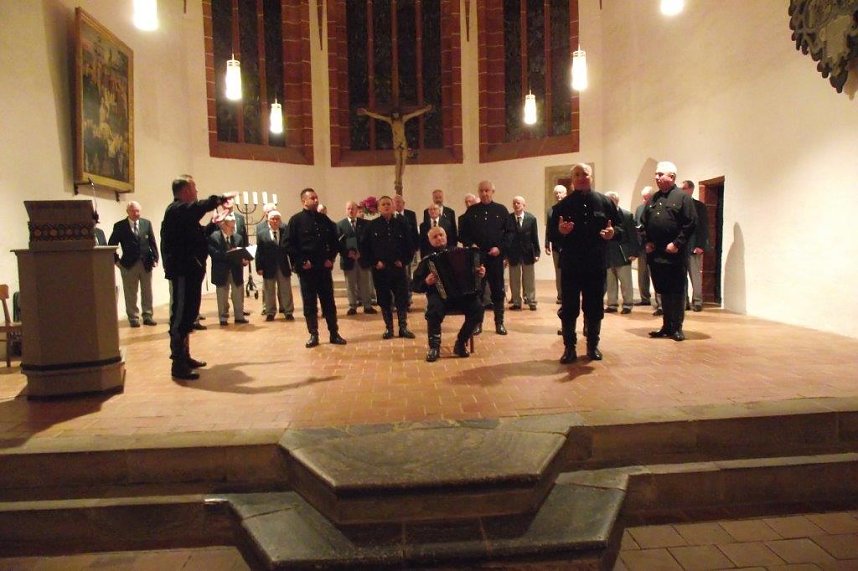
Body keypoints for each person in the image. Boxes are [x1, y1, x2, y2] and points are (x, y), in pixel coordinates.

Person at [161, 175, 233, 380]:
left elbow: (197, 235)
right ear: (185, 191)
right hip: (183, 271)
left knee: (189, 314)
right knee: (180, 316)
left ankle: (185, 356)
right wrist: (219, 199)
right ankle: (178, 363)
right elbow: (198, 207)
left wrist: (212, 224)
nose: (197, 191)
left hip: (191, 271)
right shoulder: (176, 209)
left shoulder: (184, 215)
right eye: (194, 187)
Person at [550, 163, 623, 363]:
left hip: (596, 264)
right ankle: (569, 348)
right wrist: (561, 233)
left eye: (585, 174)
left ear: (592, 177)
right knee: (569, 308)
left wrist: (613, 233)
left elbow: (621, 228)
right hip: (571, 265)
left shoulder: (606, 203)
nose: (581, 177)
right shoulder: (561, 207)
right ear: (572, 179)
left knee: (594, 308)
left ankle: (593, 346)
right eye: (577, 174)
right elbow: (552, 236)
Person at [641, 161, 697, 341]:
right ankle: (666, 325)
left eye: (660, 174)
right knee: (663, 291)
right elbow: (643, 223)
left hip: (674, 254)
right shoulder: (653, 199)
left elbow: (690, 223)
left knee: (677, 291)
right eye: (656, 174)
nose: (656, 177)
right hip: (656, 254)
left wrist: (677, 244)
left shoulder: (683, 198)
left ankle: (677, 327)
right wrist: (647, 241)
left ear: (671, 177)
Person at [412, 227, 486, 362]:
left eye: (441, 235)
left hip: (463, 295)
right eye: (435, 237)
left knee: (478, 309)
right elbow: (415, 285)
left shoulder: (463, 253)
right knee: (433, 310)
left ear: (446, 236)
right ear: (429, 241)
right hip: (440, 296)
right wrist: (426, 282)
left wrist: (480, 272)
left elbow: (476, 271)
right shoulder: (427, 261)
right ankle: (434, 347)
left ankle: (461, 342)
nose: (439, 238)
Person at [287, 188, 347, 348]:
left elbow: (335, 242)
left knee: (329, 302)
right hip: (306, 270)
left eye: (316, 197)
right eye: (312, 198)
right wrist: (301, 261)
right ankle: (313, 334)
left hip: (323, 268)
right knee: (309, 303)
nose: (315, 200)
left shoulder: (324, 219)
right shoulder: (295, 221)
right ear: (304, 201)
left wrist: (331, 258)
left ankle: (334, 333)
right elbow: (288, 245)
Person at [458, 180, 514, 335]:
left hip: (495, 257)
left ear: (492, 191)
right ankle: (477, 324)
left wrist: (500, 248)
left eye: (487, 190)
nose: (484, 193)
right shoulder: (471, 211)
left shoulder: (501, 210)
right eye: (481, 190)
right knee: (478, 292)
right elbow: (462, 234)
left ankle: (499, 323)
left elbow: (510, 233)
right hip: (477, 258)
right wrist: (471, 244)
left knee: (498, 291)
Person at [360, 196, 415, 339]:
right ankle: (389, 328)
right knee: (384, 300)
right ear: (378, 208)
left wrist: (403, 261)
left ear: (393, 206)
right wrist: (374, 262)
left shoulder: (402, 224)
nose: (386, 206)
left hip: (398, 269)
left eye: (388, 204)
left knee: (402, 299)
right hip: (381, 270)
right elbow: (364, 248)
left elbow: (410, 245)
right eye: (383, 204)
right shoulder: (371, 226)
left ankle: (403, 327)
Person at [357, 105, 432, 191]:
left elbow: (414, 114)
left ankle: (400, 180)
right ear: (392, 114)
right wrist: (367, 112)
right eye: (394, 114)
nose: (396, 115)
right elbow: (378, 116)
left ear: (399, 114)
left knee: (403, 162)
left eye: (397, 113)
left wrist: (425, 110)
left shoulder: (403, 119)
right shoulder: (390, 121)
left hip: (403, 143)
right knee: (398, 163)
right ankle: (397, 181)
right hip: (396, 144)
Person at [108, 201, 160, 327]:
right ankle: (133, 317)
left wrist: (155, 258)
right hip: (128, 264)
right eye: (133, 211)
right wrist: (117, 261)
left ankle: (147, 315)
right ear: (128, 212)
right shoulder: (120, 226)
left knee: (147, 291)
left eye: (138, 211)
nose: (136, 213)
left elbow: (152, 242)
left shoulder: (146, 224)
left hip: (146, 263)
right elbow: (111, 245)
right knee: (131, 292)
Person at [208, 215, 249, 326]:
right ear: (223, 225)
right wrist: (230, 254)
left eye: (233, 226)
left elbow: (242, 252)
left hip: (236, 270)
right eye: (230, 227)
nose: (233, 229)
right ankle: (223, 317)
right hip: (221, 270)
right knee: (222, 295)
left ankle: (239, 316)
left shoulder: (238, 238)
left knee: (238, 294)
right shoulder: (214, 237)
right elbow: (214, 254)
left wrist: (244, 260)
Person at [603, 192, 640, 314]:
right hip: (608, 252)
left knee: (625, 281)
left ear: (614, 201)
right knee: (610, 280)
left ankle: (628, 304)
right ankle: (612, 303)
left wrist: (634, 252)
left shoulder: (626, 215)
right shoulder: (603, 216)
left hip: (622, 252)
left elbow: (633, 235)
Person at [336, 201, 375, 315]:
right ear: (346, 210)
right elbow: (338, 243)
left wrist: (361, 253)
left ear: (357, 210)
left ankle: (367, 305)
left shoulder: (366, 224)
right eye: (348, 208)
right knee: (350, 284)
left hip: (363, 259)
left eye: (353, 208)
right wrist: (347, 253)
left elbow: (370, 242)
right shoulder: (340, 225)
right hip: (349, 260)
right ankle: (352, 305)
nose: (351, 211)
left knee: (365, 284)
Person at [255, 210, 295, 321]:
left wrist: (293, 264)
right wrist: (259, 267)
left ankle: (288, 311)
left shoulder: (285, 231)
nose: (275, 221)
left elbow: (291, 249)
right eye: (273, 219)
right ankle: (270, 312)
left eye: (277, 219)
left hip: (283, 265)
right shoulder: (262, 234)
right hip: (268, 266)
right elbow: (259, 251)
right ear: (268, 220)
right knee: (269, 290)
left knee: (286, 289)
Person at [680, 180, 710, 312]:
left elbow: (704, 228)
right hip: (680, 247)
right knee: (681, 276)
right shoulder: (678, 205)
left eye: (684, 188)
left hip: (693, 246)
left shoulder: (699, 206)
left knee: (695, 275)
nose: (681, 191)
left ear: (691, 189)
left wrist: (700, 245)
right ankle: (683, 301)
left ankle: (697, 301)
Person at [507, 196, 540, 311]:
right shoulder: (508, 219)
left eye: (519, 203)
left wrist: (537, 252)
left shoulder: (531, 219)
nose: (516, 205)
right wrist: (505, 255)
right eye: (514, 203)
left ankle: (531, 300)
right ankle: (516, 301)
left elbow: (534, 236)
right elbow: (506, 237)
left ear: (524, 205)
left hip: (528, 252)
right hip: (513, 253)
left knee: (529, 278)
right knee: (514, 278)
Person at [634, 186, 660, 313]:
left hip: (654, 246)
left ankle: (660, 302)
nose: (644, 201)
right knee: (642, 274)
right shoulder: (639, 208)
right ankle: (645, 298)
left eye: (646, 198)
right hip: (641, 246)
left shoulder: (658, 206)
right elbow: (636, 223)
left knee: (655, 273)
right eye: (643, 198)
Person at [393, 193, 419, 306]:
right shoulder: (391, 216)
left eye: (399, 202)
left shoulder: (410, 214)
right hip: (394, 253)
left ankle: (407, 298)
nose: (397, 204)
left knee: (407, 276)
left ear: (404, 203)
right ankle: (395, 300)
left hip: (407, 251)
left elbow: (414, 233)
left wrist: (415, 248)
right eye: (395, 202)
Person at [545, 185, 567, 305]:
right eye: (556, 193)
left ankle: (570, 294)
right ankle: (560, 295)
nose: (558, 195)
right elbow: (549, 228)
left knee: (569, 271)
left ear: (565, 193)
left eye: (560, 193)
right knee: (558, 271)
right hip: (556, 245)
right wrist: (547, 243)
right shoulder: (551, 210)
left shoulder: (570, 207)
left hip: (569, 245)